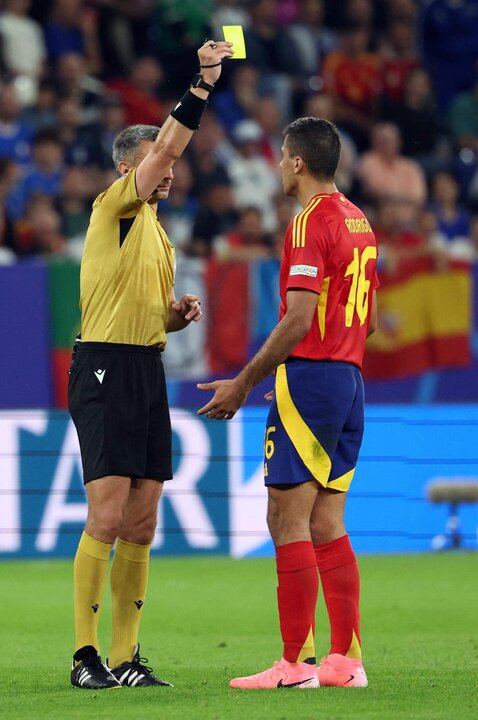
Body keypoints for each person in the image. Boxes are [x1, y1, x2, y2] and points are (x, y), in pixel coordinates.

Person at [67, 38, 233, 690]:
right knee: (106, 515)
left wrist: (174, 317)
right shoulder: (115, 208)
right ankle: (85, 658)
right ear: (124, 168)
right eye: (152, 163)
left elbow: (139, 306)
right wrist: (204, 83)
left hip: (145, 366)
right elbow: (169, 144)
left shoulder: (157, 232)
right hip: (103, 365)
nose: (167, 171)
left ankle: (127, 657)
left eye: (164, 164)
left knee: (142, 518)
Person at [198, 116, 378, 689]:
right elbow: (366, 321)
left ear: (298, 163)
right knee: (327, 519)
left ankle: (294, 665)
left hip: (311, 381)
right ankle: (344, 663)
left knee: (286, 516)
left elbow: (299, 318)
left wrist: (245, 382)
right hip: (350, 378)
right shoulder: (360, 221)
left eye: (281, 156)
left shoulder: (309, 221)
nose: (278, 165)